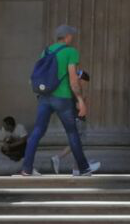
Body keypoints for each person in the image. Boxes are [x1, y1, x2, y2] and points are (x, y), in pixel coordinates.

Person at [21, 24, 99, 177]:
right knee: (72, 133)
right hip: (62, 98)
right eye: (72, 35)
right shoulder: (71, 52)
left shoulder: (46, 51)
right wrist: (80, 100)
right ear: (67, 37)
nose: (73, 38)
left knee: (37, 131)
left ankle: (26, 168)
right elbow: (73, 80)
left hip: (44, 97)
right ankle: (83, 168)